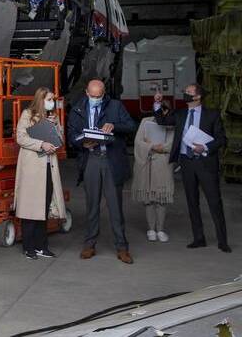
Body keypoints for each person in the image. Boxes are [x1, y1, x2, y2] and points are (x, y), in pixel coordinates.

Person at [154, 85, 230, 252]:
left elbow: (221, 139)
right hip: (186, 163)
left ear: (198, 97)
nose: (185, 94)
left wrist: (205, 147)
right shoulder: (180, 114)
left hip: (205, 163)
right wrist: (158, 104)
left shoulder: (212, 115)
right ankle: (199, 238)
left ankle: (222, 241)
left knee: (214, 202)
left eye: (188, 92)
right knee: (192, 202)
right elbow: (162, 121)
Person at [68, 79, 136, 264]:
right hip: (91, 159)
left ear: (104, 93)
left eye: (100, 96)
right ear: (87, 93)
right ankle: (89, 244)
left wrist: (114, 126)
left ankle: (122, 248)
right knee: (92, 206)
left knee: (115, 208)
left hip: (111, 160)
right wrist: (82, 142)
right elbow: (71, 135)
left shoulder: (115, 106)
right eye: (93, 96)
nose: (97, 99)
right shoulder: (77, 109)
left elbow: (131, 125)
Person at [14, 88, 67, 259]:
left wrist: (55, 126)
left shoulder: (54, 116)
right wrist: (41, 144)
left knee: (44, 206)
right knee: (30, 207)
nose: (52, 102)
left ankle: (41, 245)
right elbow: (21, 137)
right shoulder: (28, 114)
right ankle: (28, 246)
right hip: (32, 168)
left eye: (53, 99)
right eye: (49, 99)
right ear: (41, 99)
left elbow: (60, 139)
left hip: (49, 166)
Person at [132, 100, 175, 242]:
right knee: (149, 198)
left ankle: (160, 230)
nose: (163, 112)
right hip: (147, 163)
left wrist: (151, 145)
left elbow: (171, 144)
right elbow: (138, 141)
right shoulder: (145, 121)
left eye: (166, 109)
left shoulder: (171, 124)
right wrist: (153, 146)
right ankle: (151, 229)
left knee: (161, 198)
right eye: (161, 109)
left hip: (163, 165)